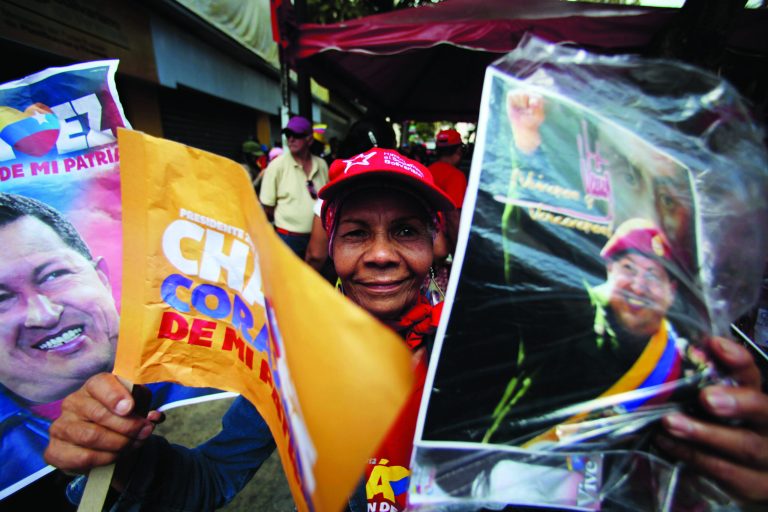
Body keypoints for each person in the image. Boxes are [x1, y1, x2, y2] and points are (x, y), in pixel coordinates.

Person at [44, 148, 456, 511]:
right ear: (331, 248)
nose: (381, 254)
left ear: (434, 243)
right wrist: (124, 455)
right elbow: (209, 479)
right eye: (356, 234)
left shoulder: (478, 346)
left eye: (405, 231)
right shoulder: (293, 358)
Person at [0, 192, 219, 498]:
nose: (44, 315)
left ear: (102, 277)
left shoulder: (209, 367)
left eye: (53, 275)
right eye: (1, 299)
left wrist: (133, 469)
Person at [483, 218, 709, 446]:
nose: (638, 287)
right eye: (628, 268)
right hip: (514, 466)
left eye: (652, 275)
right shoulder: (571, 318)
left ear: (670, 290)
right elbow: (525, 243)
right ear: (610, 270)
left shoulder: (684, 369)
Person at [259, 116, 329, 259]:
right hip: (287, 239)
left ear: (309, 139)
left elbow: (327, 201)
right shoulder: (276, 166)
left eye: (296, 135)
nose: (291, 139)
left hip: (318, 238)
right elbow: (267, 208)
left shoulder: (321, 165)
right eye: (288, 135)